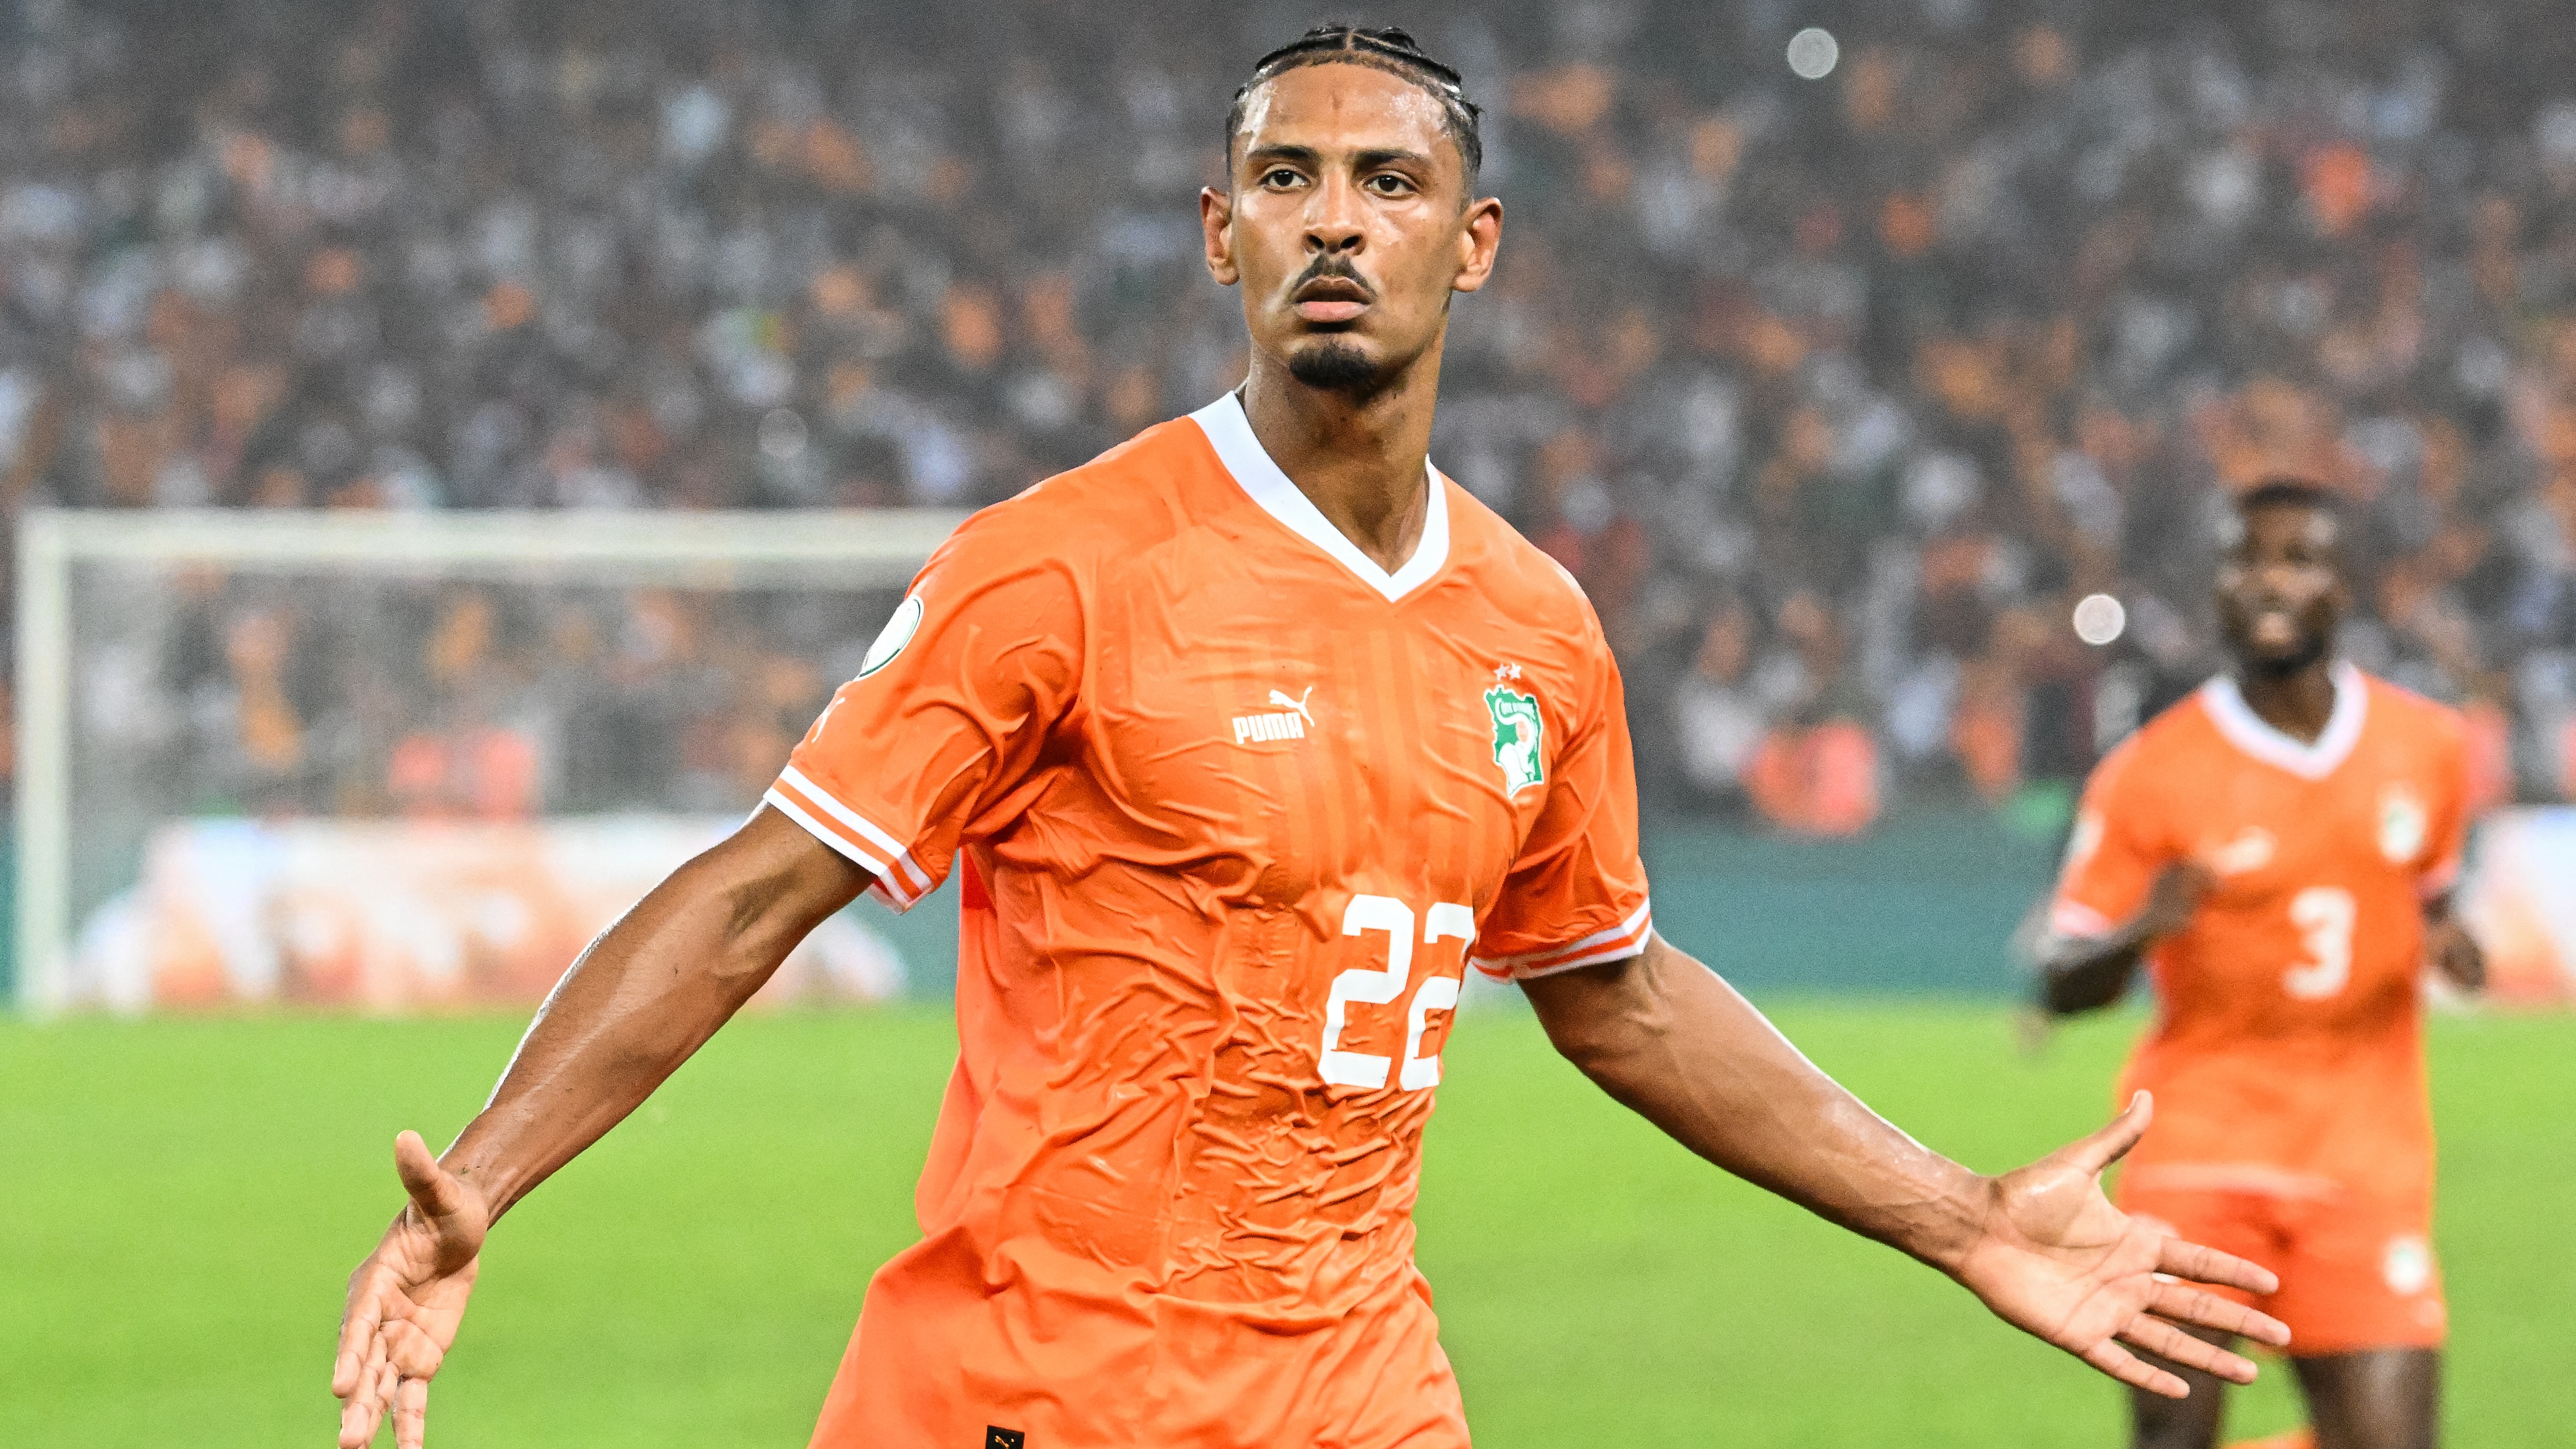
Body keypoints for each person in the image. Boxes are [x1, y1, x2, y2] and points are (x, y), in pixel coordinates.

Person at [335, 28, 2287, 1449]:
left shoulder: (1536, 628)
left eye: (1387, 182)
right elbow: (765, 886)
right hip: (1052, 1394)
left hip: (1361, 1390)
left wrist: (1957, 1220)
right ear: (1220, 238)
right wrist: (491, 1175)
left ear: (1477, 241)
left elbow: (1611, 991)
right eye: (1287, 179)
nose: (1333, 223)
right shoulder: (1063, 569)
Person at [2036, 479, 2484, 1449]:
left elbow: (2432, 892)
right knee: (2174, 1440)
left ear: (2346, 584)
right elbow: (2061, 980)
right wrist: (2138, 930)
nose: (2269, 582)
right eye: (2248, 560)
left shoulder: (2432, 749)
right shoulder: (2150, 771)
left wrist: (2452, 939)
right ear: (2218, 587)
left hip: (2365, 1156)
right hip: (2200, 1147)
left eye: (2298, 559)